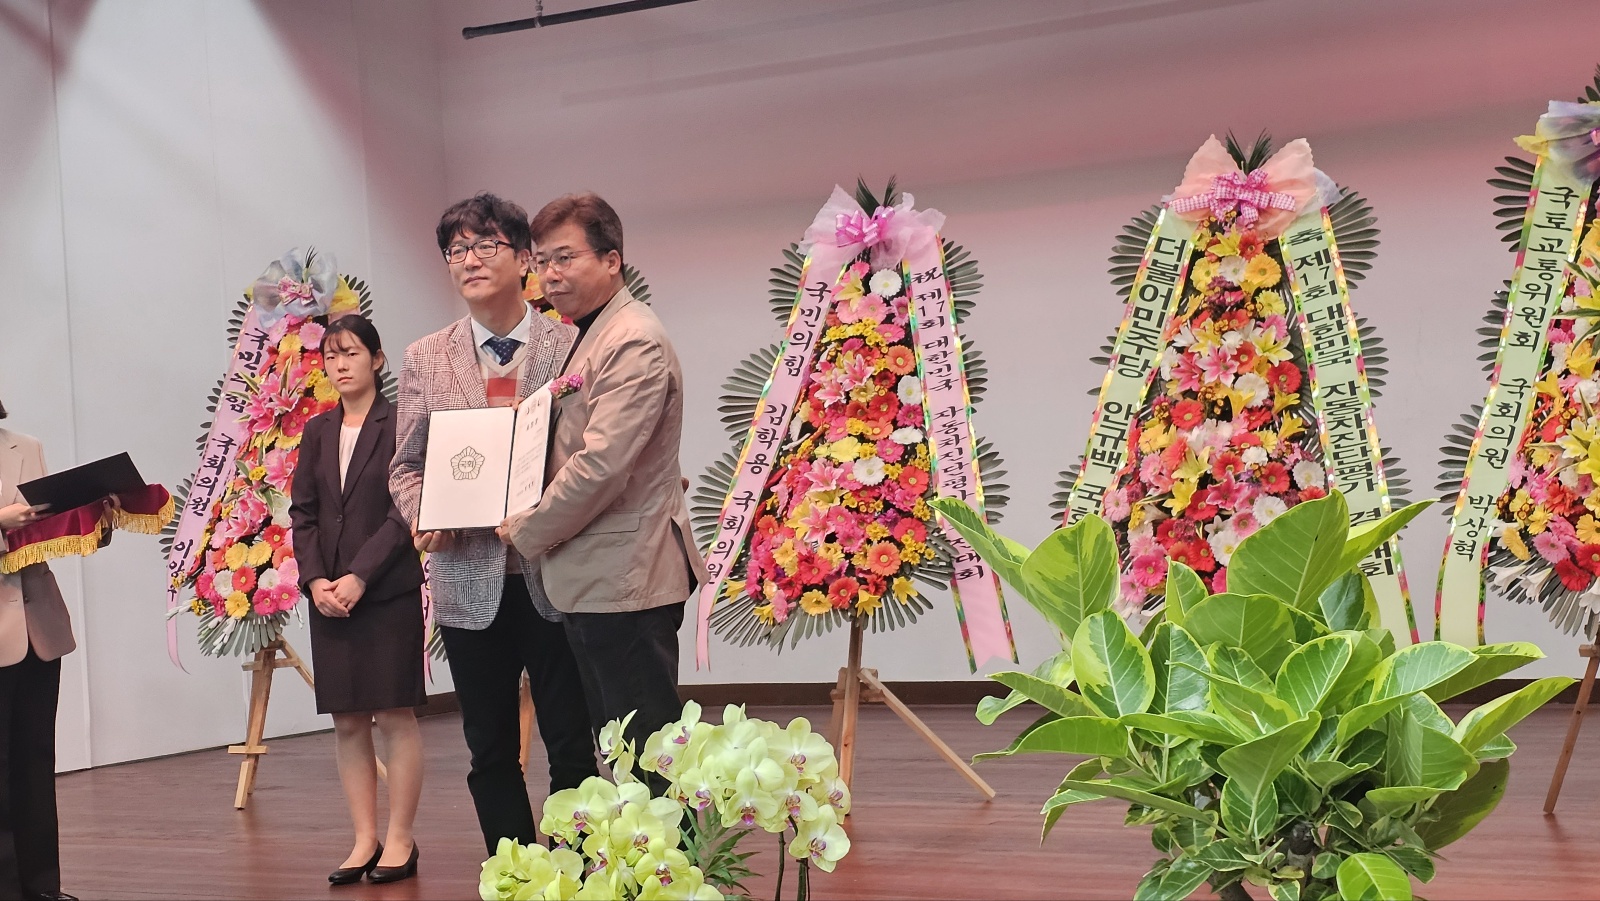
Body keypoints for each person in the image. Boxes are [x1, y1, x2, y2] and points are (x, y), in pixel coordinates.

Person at [389, 193, 598, 854]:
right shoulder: (426, 356)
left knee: (572, 742)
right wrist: (424, 514)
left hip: (554, 573)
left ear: (524, 258)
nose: (469, 260)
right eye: (456, 250)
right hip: (466, 579)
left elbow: (591, 454)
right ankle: (514, 877)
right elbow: (406, 467)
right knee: (489, 748)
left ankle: (577, 877)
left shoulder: (573, 345)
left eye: (485, 245)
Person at [502, 192, 708, 764]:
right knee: (623, 752)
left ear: (612, 260)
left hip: (625, 578)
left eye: (565, 257)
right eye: (542, 261)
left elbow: (601, 466)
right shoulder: (593, 333)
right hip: (599, 576)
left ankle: (671, 832)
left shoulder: (631, 338)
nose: (550, 274)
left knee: (648, 761)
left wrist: (527, 529)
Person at [288, 316, 426, 885]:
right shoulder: (317, 431)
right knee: (347, 721)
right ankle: (364, 838)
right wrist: (315, 581)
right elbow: (304, 514)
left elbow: (405, 510)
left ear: (377, 359)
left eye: (351, 353)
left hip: (386, 591)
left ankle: (401, 839)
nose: (340, 365)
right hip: (329, 598)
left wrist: (360, 576)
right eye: (331, 356)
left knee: (393, 714)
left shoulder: (401, 423)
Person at [0, 398, 88, 901]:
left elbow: (44, 531)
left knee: (34, 762)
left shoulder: (25, 446)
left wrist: (90, 520)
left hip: (38, 626)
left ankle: (41, 888)